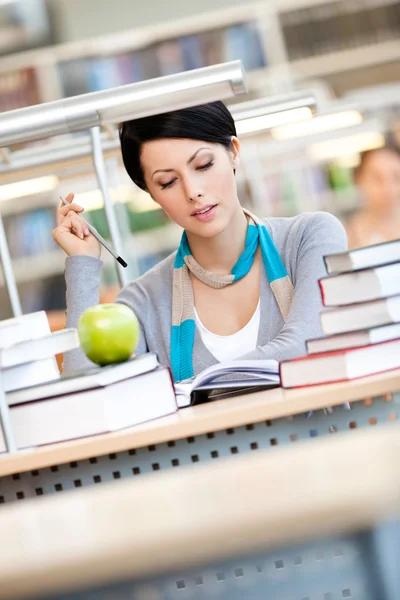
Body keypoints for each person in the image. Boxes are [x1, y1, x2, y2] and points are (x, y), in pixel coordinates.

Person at [53, 101, 347, 381]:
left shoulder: (310, 238)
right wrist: (82, 264)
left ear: (233, 152)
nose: (193, 191)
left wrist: (195, 386)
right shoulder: (143, 303)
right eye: (168, 182)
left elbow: (309, 345)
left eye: (203, 165)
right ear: (153, 195)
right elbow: (87, 401)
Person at [346, 145, 400, 248]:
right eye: (377, 178)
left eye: (396, 177)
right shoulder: (348, 236)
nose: (388, 188)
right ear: (359, 179)